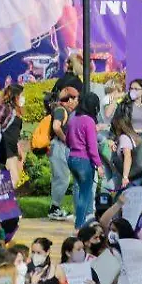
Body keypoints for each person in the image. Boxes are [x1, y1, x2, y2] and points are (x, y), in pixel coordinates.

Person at [66, 93, 102, 228]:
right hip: (84, 160)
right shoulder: (89, 121)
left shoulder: (73, 119)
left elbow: (68, 140)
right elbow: (92, 148)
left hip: (72, 159)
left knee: (80, 190)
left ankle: (81, 222)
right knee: (85, 195)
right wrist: (99, 165)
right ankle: (79, 226)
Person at [48, 86, 78, 222]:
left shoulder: (62, 109)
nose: (76, 101)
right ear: (69, 99)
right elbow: (56, 126)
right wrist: (66, 140)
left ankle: (55, 207)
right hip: (59, 146)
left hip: (58, 146)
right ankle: (54, 209)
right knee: (62, 178)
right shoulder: (61, 110)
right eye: (75, 98)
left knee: (60, 177)